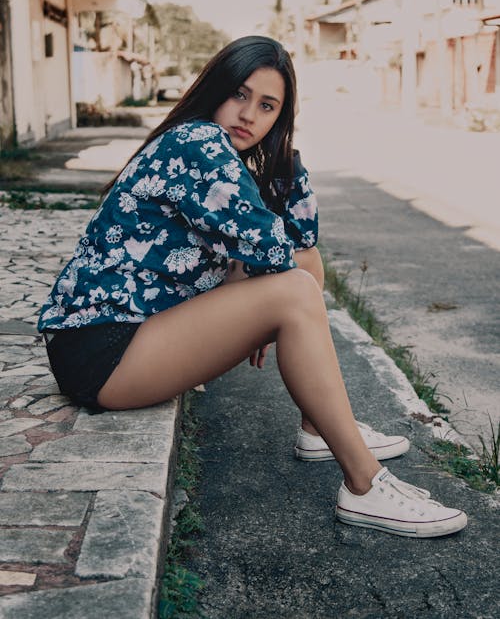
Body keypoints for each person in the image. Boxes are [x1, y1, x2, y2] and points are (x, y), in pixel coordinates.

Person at [38, 35, 467, 538]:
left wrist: (286, 157)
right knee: (295, 289)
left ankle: (318, 428)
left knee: (303, 269)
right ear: (216, 88)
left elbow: (303, 243)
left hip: (137, 331)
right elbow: (271, 250)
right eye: (239, 95)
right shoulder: (196, 142)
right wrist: (265, 317)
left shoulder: (224, 151)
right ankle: (365, 484)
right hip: (101, 351)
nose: (248, 115)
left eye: (268, 107)